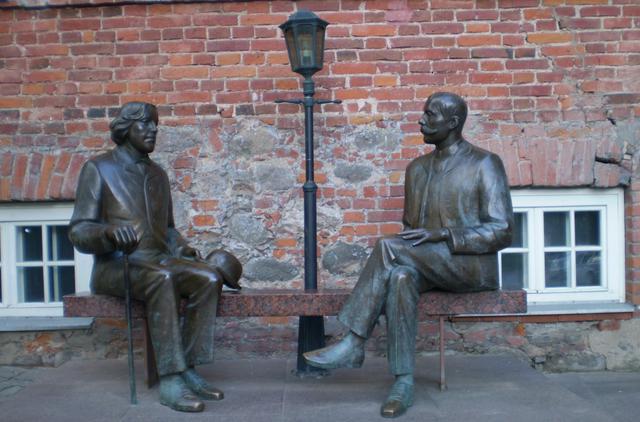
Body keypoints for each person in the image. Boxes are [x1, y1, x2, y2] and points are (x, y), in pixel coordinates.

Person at [304, 92, 513, 418]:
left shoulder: (484, 163)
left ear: (453, 123)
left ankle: (355, 339)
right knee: (400, 277)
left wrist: (444, 234)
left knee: (388, 247)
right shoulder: (416, 169)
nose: (421, 120)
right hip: (427, 264)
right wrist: (424, 242)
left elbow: (502, 231)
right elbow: (411, 232)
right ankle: (403, 381)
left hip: (470, 267)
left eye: (430, 115)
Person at [69, 102, 242, 413]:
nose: (154, 130)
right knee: (161, 278)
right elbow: (79, 231)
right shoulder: (99, 168)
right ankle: (171, 379)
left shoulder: (158, 174)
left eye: (155, 124)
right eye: (146, 124)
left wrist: (182, 248)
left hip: (159, 259)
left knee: (209, 278)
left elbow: (170, 230)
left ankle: (187, 366)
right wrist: (107, 233)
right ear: (125, 130)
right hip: (116, 266)